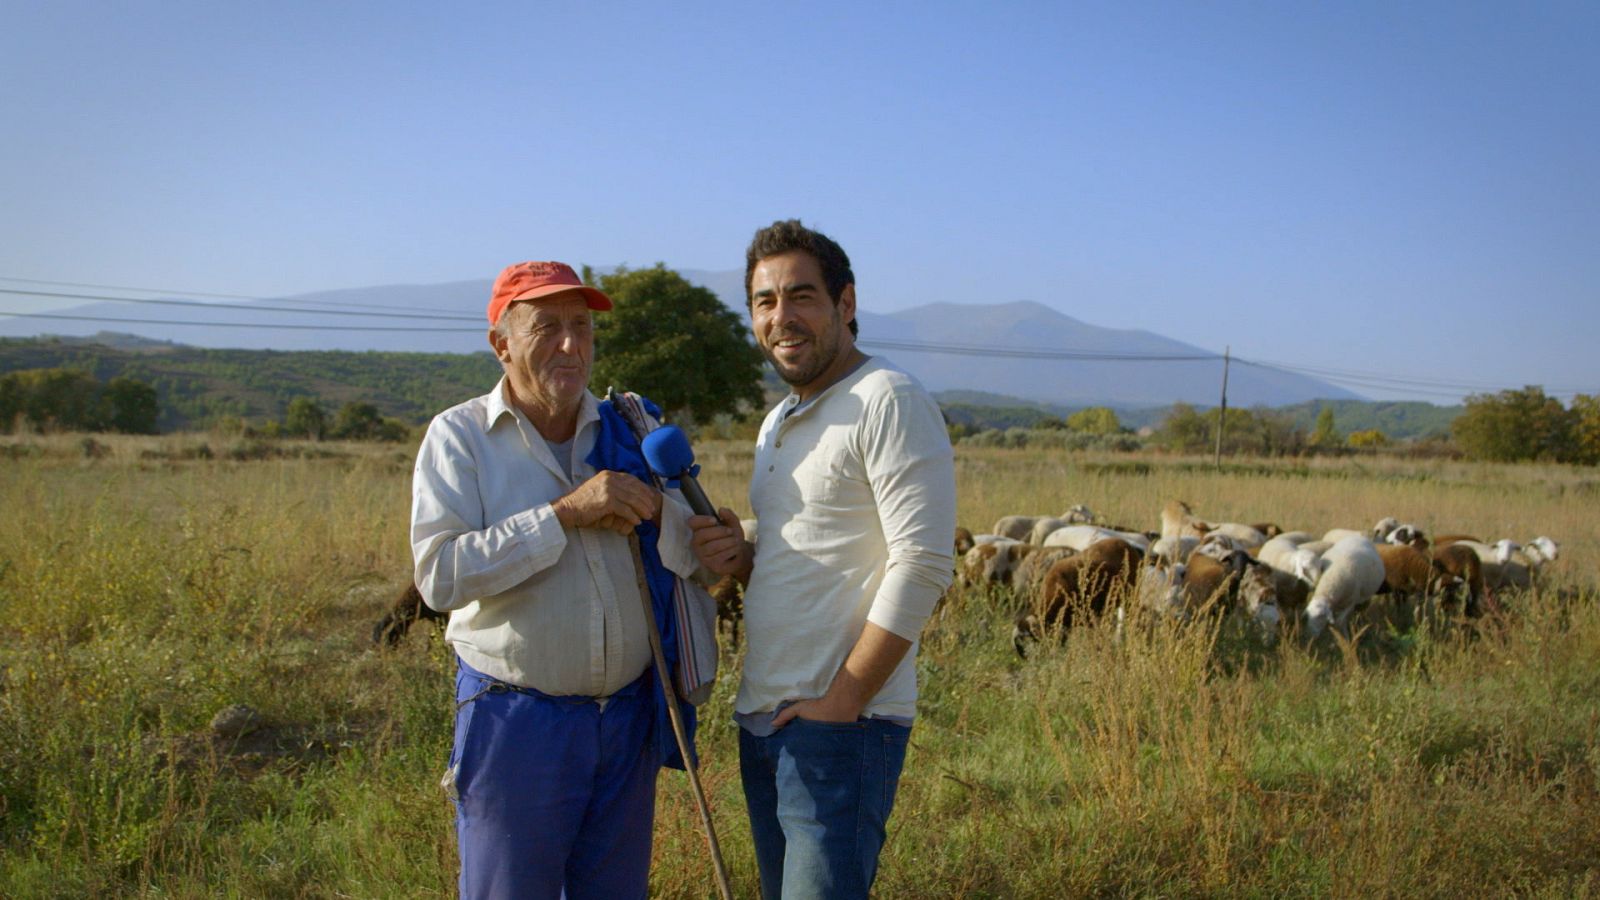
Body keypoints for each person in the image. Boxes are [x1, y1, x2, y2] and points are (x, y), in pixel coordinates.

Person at [411, 260, 702, 899]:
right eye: (547, 327)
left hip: (627, 717)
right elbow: (439, 576)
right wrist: (564, 515)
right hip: (516, 721)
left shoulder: (630, 429)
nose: (571, 345)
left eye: (582, 327)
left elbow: (686, 552)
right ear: (502, 344)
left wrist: (712, 538)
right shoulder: (459, 437)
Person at [689, 220, 957, 899]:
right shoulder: (778, 420)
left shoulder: (886, 399)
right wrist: (745, 558)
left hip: (842, 728)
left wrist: (844, 700)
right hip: (765, 718)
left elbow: (923, 562)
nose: (782, 318)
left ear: (846, 303)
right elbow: (815, 551)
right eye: (764, 301)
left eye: (801, 296)